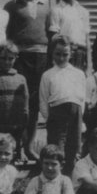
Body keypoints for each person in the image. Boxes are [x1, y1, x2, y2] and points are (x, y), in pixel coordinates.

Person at [4, 0, 50, 160]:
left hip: (41, 58)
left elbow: (50, 34)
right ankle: (14, 148)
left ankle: (29, 146)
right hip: (20, 58)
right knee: (18, 103)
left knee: (34, 104)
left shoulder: (46, 7)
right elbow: (5, 34)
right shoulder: (12, 6)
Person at [38, 35, 86, 175]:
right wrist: (50, 118)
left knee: (74, 148)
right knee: (56, 149)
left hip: (75, 113)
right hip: (56, 114)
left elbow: (82, 99)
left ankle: (70, 180)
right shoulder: (48, 75)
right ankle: (54, 180)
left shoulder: (78, 74)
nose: (61, 58)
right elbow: (43, 99)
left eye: (65, 54)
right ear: (52, 53)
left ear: (71, 54)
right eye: (57, 54)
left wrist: (79, 117)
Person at [0, 42, 29, 162]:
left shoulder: (21, 79)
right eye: (3, 58)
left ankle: (19, 152)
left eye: (10, 58)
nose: (7, 62)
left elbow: (25, 107)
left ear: (16, 58)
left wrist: (24, 127)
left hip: (16, 125)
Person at [46, 0, 90, 70]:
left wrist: (89, 65)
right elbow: (53, 38)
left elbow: (87, 40)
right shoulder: (56, 10)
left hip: (80, 55)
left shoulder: (84, 11)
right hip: (64, 54)